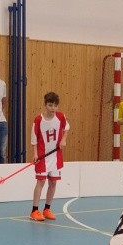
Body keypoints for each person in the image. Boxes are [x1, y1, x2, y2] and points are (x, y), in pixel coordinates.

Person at [30, 91, 69, 221]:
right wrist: (35, 154)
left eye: (55, 106)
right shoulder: (38, 120)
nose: (53, 108)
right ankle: (34, 211)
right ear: (45, 105)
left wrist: (63, 139)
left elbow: (66, 128)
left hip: (56, 156)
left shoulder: (61, 117)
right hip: (42, 156)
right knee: (41, 181)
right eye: (50, 105)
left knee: (53, 182)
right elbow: (34, 139)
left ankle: (47, 209)